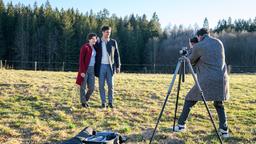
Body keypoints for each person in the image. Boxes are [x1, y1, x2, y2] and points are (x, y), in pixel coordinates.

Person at [173, 28, 230, 138]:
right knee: (219, 103)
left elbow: (191, 61)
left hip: (207, 79)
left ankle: (181, 125)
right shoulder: (219, 42)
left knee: (189, 99)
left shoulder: (199, 46)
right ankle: (224, 130)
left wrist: (192, 48)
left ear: (199, 36)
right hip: (222, 79)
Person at [94, 26, 121, 108]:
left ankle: (110, 102)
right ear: (103, 32)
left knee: (111, 85)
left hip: (110, 67)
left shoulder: (113, 42)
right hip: (101, 66)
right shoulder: (98, 42)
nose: (108, 33)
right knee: (101, 85)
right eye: (107, 32)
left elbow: (117, 55)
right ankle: (103, 102)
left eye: (109, 32)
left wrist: (118, 66)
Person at [76, 33, 97, 108]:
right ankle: (83, 102)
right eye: (93, 39)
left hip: (92, 69)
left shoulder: (95, 48)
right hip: (85, 69)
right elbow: (81, 60)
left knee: (91, 88)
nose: (95, 40)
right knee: (83, 86)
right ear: (89, 39)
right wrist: (82, 71)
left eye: (95, 39)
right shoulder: (85, 47)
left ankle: (85, 99)